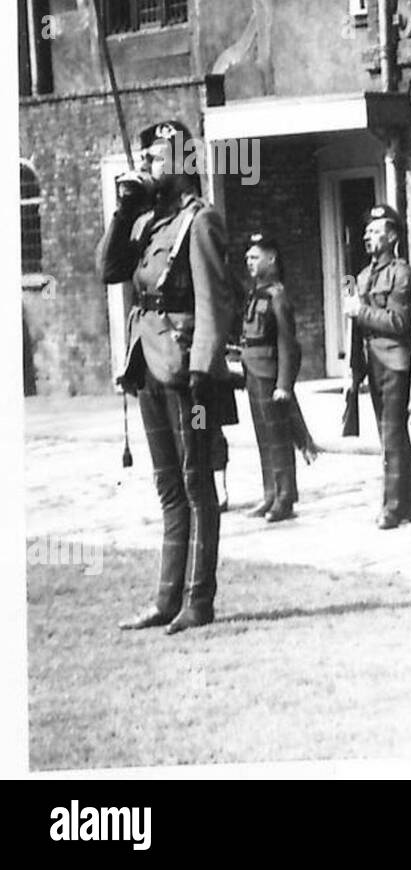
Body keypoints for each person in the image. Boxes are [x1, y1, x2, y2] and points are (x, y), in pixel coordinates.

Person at [98, 120, 234, 635]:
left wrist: (202, 371)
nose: (149, 166)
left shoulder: (200, 222)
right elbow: (109, 269)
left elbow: (214, 302)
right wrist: (124, 209)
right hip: (148, 367)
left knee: (198, 483)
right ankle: (165, 599)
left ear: (182, 162)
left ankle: (199, 600)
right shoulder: (146, 222)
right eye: (146, 158)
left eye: (157, 158)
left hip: (187, 375)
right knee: (169, 488)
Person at [344, 204, 411, 529]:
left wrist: (359, 312)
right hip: (372, 361)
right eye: (367, 231)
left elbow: (400, 321)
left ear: (392, 236)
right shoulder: (363, 275)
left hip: (394, 360)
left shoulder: (401, 273)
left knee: (391, 433)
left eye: (376, 231)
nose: (368, 236)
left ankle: (392, 507)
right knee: (391, 434)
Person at [239, 233, 302, 523]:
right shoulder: (257, 293)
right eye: (248, 257)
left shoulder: (277, 296)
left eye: (255, 257)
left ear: (271, 259)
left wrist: (284, 385)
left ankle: (285, 497)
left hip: (270, 374)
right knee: (264, 437)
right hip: (253, 372)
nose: (249, 262)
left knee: (279, 437)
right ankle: (270, 494)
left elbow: (288, 343)